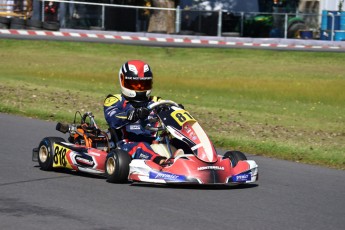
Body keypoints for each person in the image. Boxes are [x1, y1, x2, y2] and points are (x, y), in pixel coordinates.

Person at [103, 60, 168, 165]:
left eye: (143, 84)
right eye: (135, 84)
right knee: (141, 146)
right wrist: (133, 114)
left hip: (154, 142)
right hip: (125, 144)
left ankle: (190, 160)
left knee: (179, 143)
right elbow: (113, 119)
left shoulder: (156, 101)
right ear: (123, 80)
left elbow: (168, 109)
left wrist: (175, 109)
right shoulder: (115, 100)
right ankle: (160, 162)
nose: (139, 88)